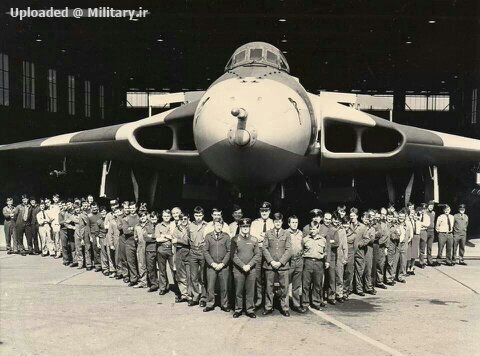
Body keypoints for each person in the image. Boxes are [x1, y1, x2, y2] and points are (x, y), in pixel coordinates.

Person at [262, 212, 291, 317]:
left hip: (283, 265)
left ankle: (285, 308)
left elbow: (289, 249)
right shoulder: (268, 233)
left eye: (279, 221)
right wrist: (271, 261)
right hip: (270, 265)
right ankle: (268, 307)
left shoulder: (286, 233)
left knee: (284, 287)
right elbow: (264, 248)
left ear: (282, 222)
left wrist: (280, 262)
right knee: (269, 287)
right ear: (273, 222)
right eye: (275, 221)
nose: (277, 223)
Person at [231, 218, 261, 318]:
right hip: (239, 270)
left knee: (250, 291)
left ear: (249, 227)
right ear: (240, 227)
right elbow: (233, 255)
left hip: (251, 269)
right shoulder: (235, 239)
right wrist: (242, 265)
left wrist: (249, 265)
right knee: (238, 290)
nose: (245, 228)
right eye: (243, 227)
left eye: (247, 226)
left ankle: (250, 310)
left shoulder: (254, 239)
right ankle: (238, 309)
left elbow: (257, 255)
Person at [203, 218, 231, 312]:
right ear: (214, 225)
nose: (219, 227)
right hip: (212, 265)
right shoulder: (208, 236)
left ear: (222, 226)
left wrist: (223, 263)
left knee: (224, 286)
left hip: (223, 266)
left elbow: (229, 251)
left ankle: (225, 304)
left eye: (220, 225)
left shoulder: (226, 236)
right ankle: (210, 304)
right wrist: (212, 263)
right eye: (217, 225)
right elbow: (205, 251)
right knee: (210, 286)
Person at [250, 201, 274, 309]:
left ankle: (269, 301)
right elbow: (253, 237)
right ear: (260, 211)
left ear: (269, 211)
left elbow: (273, 239)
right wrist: (265, 237)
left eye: (266, 210)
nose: (264, 212)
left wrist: (263, 236)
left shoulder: (273, 223)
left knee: (269, 276)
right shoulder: (255, 223)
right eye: (262, 210)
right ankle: (259, 300)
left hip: (269, 251)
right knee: (258, 276)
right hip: (258, 251)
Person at [302, 220, 330, 310]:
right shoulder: (305, 239)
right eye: (311, 229)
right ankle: (305, 303)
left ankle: (316, 302)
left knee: (317, 284)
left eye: (314, 229)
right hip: (308, 262)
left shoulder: (323, 240)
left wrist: (326, 261)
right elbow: (301, 252)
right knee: (306, 284)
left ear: (318, 229)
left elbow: (326, 252)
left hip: (319, 263)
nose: (312, 231)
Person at [188, 206, 207, 307]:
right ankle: (195, 297)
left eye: (200, 215)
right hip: (193, 252)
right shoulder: (190, 225)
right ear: (194, 215)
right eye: (196, 215)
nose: (198, 217)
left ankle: (203, 298)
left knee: (203, 277)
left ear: (203, 215)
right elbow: (188, 238)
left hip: (203, 252)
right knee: (193, 276)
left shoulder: (207, 225)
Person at [155, 209, 177, 295]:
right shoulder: (158, 226)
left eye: (168, 216)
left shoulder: (173, 225)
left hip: (171, 249)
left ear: (170, 216)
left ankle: (177, 287)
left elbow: (174, 236)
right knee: (162, 269)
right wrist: (169, 237)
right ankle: (163, 287)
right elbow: (157, 239)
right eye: (164, 216)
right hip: (161, 249)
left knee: (174, 269)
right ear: (162, 216)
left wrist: (164, 236)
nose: (166, 217)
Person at [287, 215, 306, 313]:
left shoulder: (301, 233)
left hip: (298, 260)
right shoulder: (285, 233)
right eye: (293, 222)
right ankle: (284, 305)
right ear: (289, 223)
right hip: (289, 261)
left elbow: (303, 245)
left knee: (297, 285)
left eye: (296, 222)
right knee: (285, 284)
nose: (295, 224)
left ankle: (296, 304)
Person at [354, 212, 375, 296]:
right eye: (365, 218)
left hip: (368, 250)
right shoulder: (358, 227)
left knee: (368, 269)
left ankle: (368, 287)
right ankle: (358, 288)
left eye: (368, 219)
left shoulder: (371, 228)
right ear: (361, 218)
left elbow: (372, 239)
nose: (367, 220)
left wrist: (363, 241)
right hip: (359, 250)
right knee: (359, 269)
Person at [172, 213, 191, 302]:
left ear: (188, 219)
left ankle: (190, 295)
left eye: (185, 219)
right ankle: (184, 295)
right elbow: (173, 241)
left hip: (189, 253)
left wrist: (179, 241)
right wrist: (180, 242)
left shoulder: (190, 228)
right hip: (179, 253)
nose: (183, 221)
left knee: (189, 275)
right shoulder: (177, 229)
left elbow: (189, 241)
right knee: (180, 275)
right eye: (181, 219)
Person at [330, 212, 348, 303]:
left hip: (340, 256)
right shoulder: (329, 229)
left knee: (339, 276)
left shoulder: (342, 230)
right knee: (331, 277)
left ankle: (339, 294)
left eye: (338, 220)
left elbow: (345, 244)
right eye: (335, 219)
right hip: (331, 255)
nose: (336, 221)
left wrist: (345, 257)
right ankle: (331, 295)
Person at [122, 202, 140, 286]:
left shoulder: (140, 218)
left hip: (139, 242)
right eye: (130, 208)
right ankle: (133, 279)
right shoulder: (125, 219)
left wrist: (132, 229)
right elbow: (125, 231)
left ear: (136, 208)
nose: (132, 210)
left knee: (140, 261)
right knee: (131, 261)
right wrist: (136, 229)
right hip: (129, 243)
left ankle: (142, 278)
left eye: (133, 208)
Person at [344, 207, 360, 299]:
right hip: (341, 255)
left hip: (350, 255)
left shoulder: (353, 234)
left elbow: (355, 247)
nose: (346, 226)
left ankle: (346, 290)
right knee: (340, 274)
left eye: (347, 224)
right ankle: (341, 291)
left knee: (349, 273)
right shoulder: (340, 232)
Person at [133, 212, 151, 288]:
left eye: (144, 215)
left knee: (150, 265)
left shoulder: (150, 225)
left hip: (149, 247)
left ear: (146, 216)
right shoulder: (137, 226)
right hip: (140, 246)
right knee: (141, 264)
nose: (142, 217)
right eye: (140, 216)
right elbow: (135, 237)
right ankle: (143, 282)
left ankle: (152, 282)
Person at [373, 209, 389, 289]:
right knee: (372, 265)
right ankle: (372, 282)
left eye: (379, 216)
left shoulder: (384, 225)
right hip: (372, 246)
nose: (378, 218)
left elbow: (386, 236)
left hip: (380, 246)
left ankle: (380, 281)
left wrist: (378, 242)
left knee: (380, 264)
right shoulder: (372, 224)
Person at [145, 211, 160, 291]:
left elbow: (161, 236)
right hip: (150, 250)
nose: (154, 219)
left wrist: (152, 236)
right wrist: (157, 237)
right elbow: (145, 237)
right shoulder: (147, 226)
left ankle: (163, 285)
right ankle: (154, 284)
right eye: (152, 218)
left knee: (161, 268)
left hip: (159, 249)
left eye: (155, 218)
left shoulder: (160, 226)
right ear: (150, 218)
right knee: (151, 268)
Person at [88, 202, 102, 272]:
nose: (94, 209)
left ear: (97, 207)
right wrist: (90, 236)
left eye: (95, 207)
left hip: (101, 233)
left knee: (102, 250)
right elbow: (88, 227)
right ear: (91, 208)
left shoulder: (100, 215)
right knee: (95, 250)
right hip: (93, 234)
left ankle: (104, 265)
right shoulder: (89, 216)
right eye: (93, 208)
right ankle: (98, 265)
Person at [96, 206, 110, 275]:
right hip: (102, 238)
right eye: (101, 212)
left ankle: (111, 268)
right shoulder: (99, 221)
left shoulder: (109, 220)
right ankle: (105, 268)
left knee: (109, 253)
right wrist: (98, 242)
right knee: (103, 253)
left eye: (104, 212)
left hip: (109, 237)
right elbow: (97, 233)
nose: (103, 213)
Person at [425, 200, 438, 266]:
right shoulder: (424, 212)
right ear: (428, 206)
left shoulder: (433, 213)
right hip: (425, 231)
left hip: (431, 231)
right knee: (422, 247)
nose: (431, 207)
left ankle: (429, 261)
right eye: (430, 206)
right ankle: (421, 262)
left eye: (432, 206)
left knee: (429, 247)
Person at [418, 203, 430, 268]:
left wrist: (420, 223)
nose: (423, 210)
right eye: (422, 209)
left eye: (424, 209)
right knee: (414, 247)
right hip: (417, 232)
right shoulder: (417, 215)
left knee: (422, 248)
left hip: (424, 232)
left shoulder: (427, 217)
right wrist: (422, 224)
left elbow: (427, 224)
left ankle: (421, 262)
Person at [49, 194, 62, 259]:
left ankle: (59, 252)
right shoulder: (51, 206)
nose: (55, 199)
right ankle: (56, 251)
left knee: (58, 239)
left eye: (57, 198)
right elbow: (50, 215)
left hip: (58, 223)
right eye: (54, 198)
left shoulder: (60, 205)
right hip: (53, 224)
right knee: (54, 238)